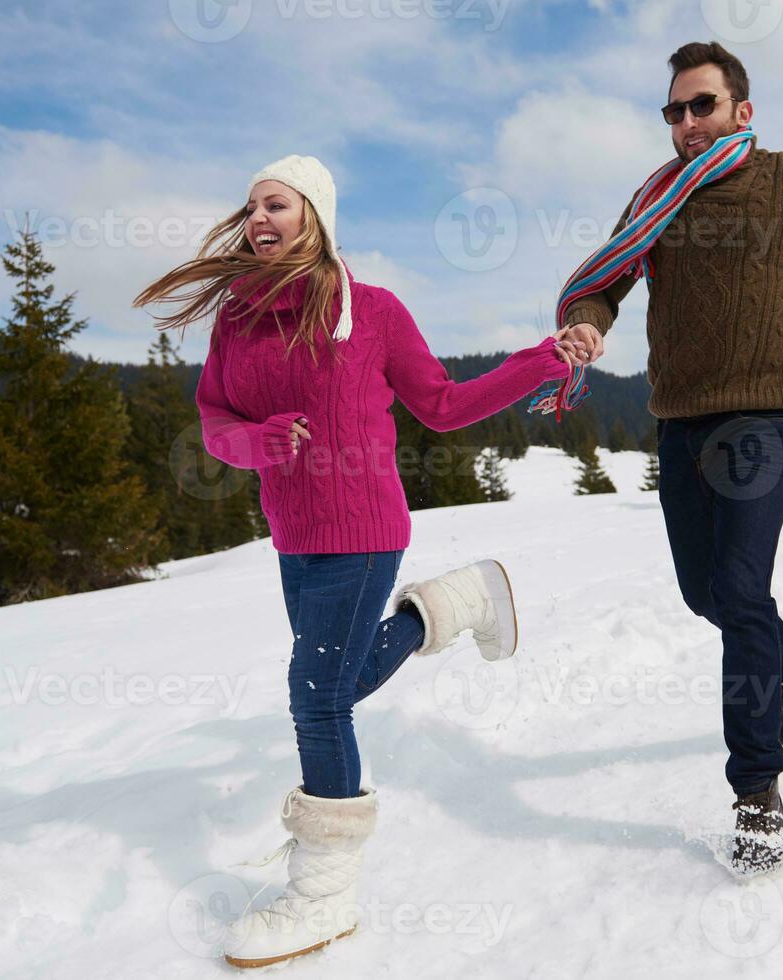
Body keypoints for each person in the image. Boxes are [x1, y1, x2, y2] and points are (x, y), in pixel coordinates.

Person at [133, 154, 586, 966]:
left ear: (314, 214)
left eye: (275, 202)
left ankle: (323, 894)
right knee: (334, 683)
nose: (257, 218)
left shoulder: (370, 312)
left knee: (318, 700)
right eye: (250, 206)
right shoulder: (236, 320)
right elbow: (214, 422)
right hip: (293, 534)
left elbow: (442, 406)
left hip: (366, 528)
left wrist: (543, 359)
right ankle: (447, 606)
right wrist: (257, 440)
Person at [554, 42, 783, 875]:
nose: (684, 124)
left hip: (764, 418)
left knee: (739, 589)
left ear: (741, 111)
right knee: (704, 593)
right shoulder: (655, 198)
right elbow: (604, 278)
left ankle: (755, 792)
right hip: (679, 422)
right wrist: (589, 320)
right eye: (673, 111)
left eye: (700, 106)